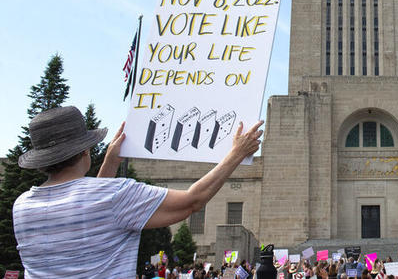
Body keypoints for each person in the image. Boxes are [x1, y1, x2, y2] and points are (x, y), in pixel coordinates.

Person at [13, 105, 263, 278]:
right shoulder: (115, 195)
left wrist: (110, 164)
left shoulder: (22, 206)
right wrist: (236, 154)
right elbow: (192, 201)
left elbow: (88, 213)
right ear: (84, 151)